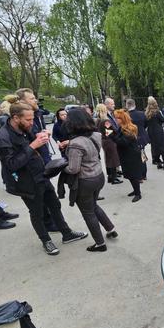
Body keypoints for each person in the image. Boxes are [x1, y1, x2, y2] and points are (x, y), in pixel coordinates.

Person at [0, 102, 87, 255]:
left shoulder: (25, 128)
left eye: (32, 119)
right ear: (16, 118)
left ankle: (67, 233)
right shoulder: (3, 137)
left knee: (55, 205)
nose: (32, 123)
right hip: (26, 182)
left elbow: (33, 139)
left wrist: (40, 136)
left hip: (41, 175)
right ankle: (46, 241)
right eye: (28, 120)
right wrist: (32, 145)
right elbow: (11, 165)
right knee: (37, 212)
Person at [63, 108, 118, 252]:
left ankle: (100, 244)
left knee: (88, 212)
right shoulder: (96, 135)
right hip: (98, 176)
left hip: (85, 181)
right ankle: (111, 229)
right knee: (94, 206)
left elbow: (73, 169)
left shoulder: (75, 143)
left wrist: (62, 168)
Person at [108, 109, 144, 202]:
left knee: (133, 175)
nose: (115, 120)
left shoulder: (129, 128)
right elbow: (118, 136)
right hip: (126, 154)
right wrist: (110, 129)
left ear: (122, 119)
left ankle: (138, 194)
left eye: (117, 118)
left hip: (131, 155)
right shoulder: (122, 127)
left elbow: (122, 142)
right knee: (129, 174)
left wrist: (110, 135)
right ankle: (136, 190)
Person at [16, 88, 51, 163]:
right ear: (22, 102)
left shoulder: (38, 114)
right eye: (32, 99)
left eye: (35, 98)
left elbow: (41, 135)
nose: (36, 100)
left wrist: (46, 134)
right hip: (33, 165)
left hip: (44, 160)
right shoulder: (18, 121)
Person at [95, 103, 122, 185]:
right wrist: (118, 129)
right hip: (109, 141)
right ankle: (114, 177)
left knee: (108, 158)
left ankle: (110, 176)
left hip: (104, 140)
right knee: (113, 159)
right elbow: (110, 131)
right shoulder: (105, 120)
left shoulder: (98, 120)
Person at [126, 98, 149, 180]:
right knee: (142, 155)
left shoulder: (127, 115)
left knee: (135, 158)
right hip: (142, 137)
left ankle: (138, 175)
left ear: (127, 105)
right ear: (134, 105)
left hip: (132, 138)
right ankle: (144, 174)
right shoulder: (141, 113)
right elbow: (146, 123)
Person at [145, 97, 164, 170]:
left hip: (151, 132)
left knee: (155, 148)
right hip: (159, 131)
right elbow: (162, 120)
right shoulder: (157, 112)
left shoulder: (147, 112)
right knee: (163, 147)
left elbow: (146, 123)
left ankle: (158, 163)